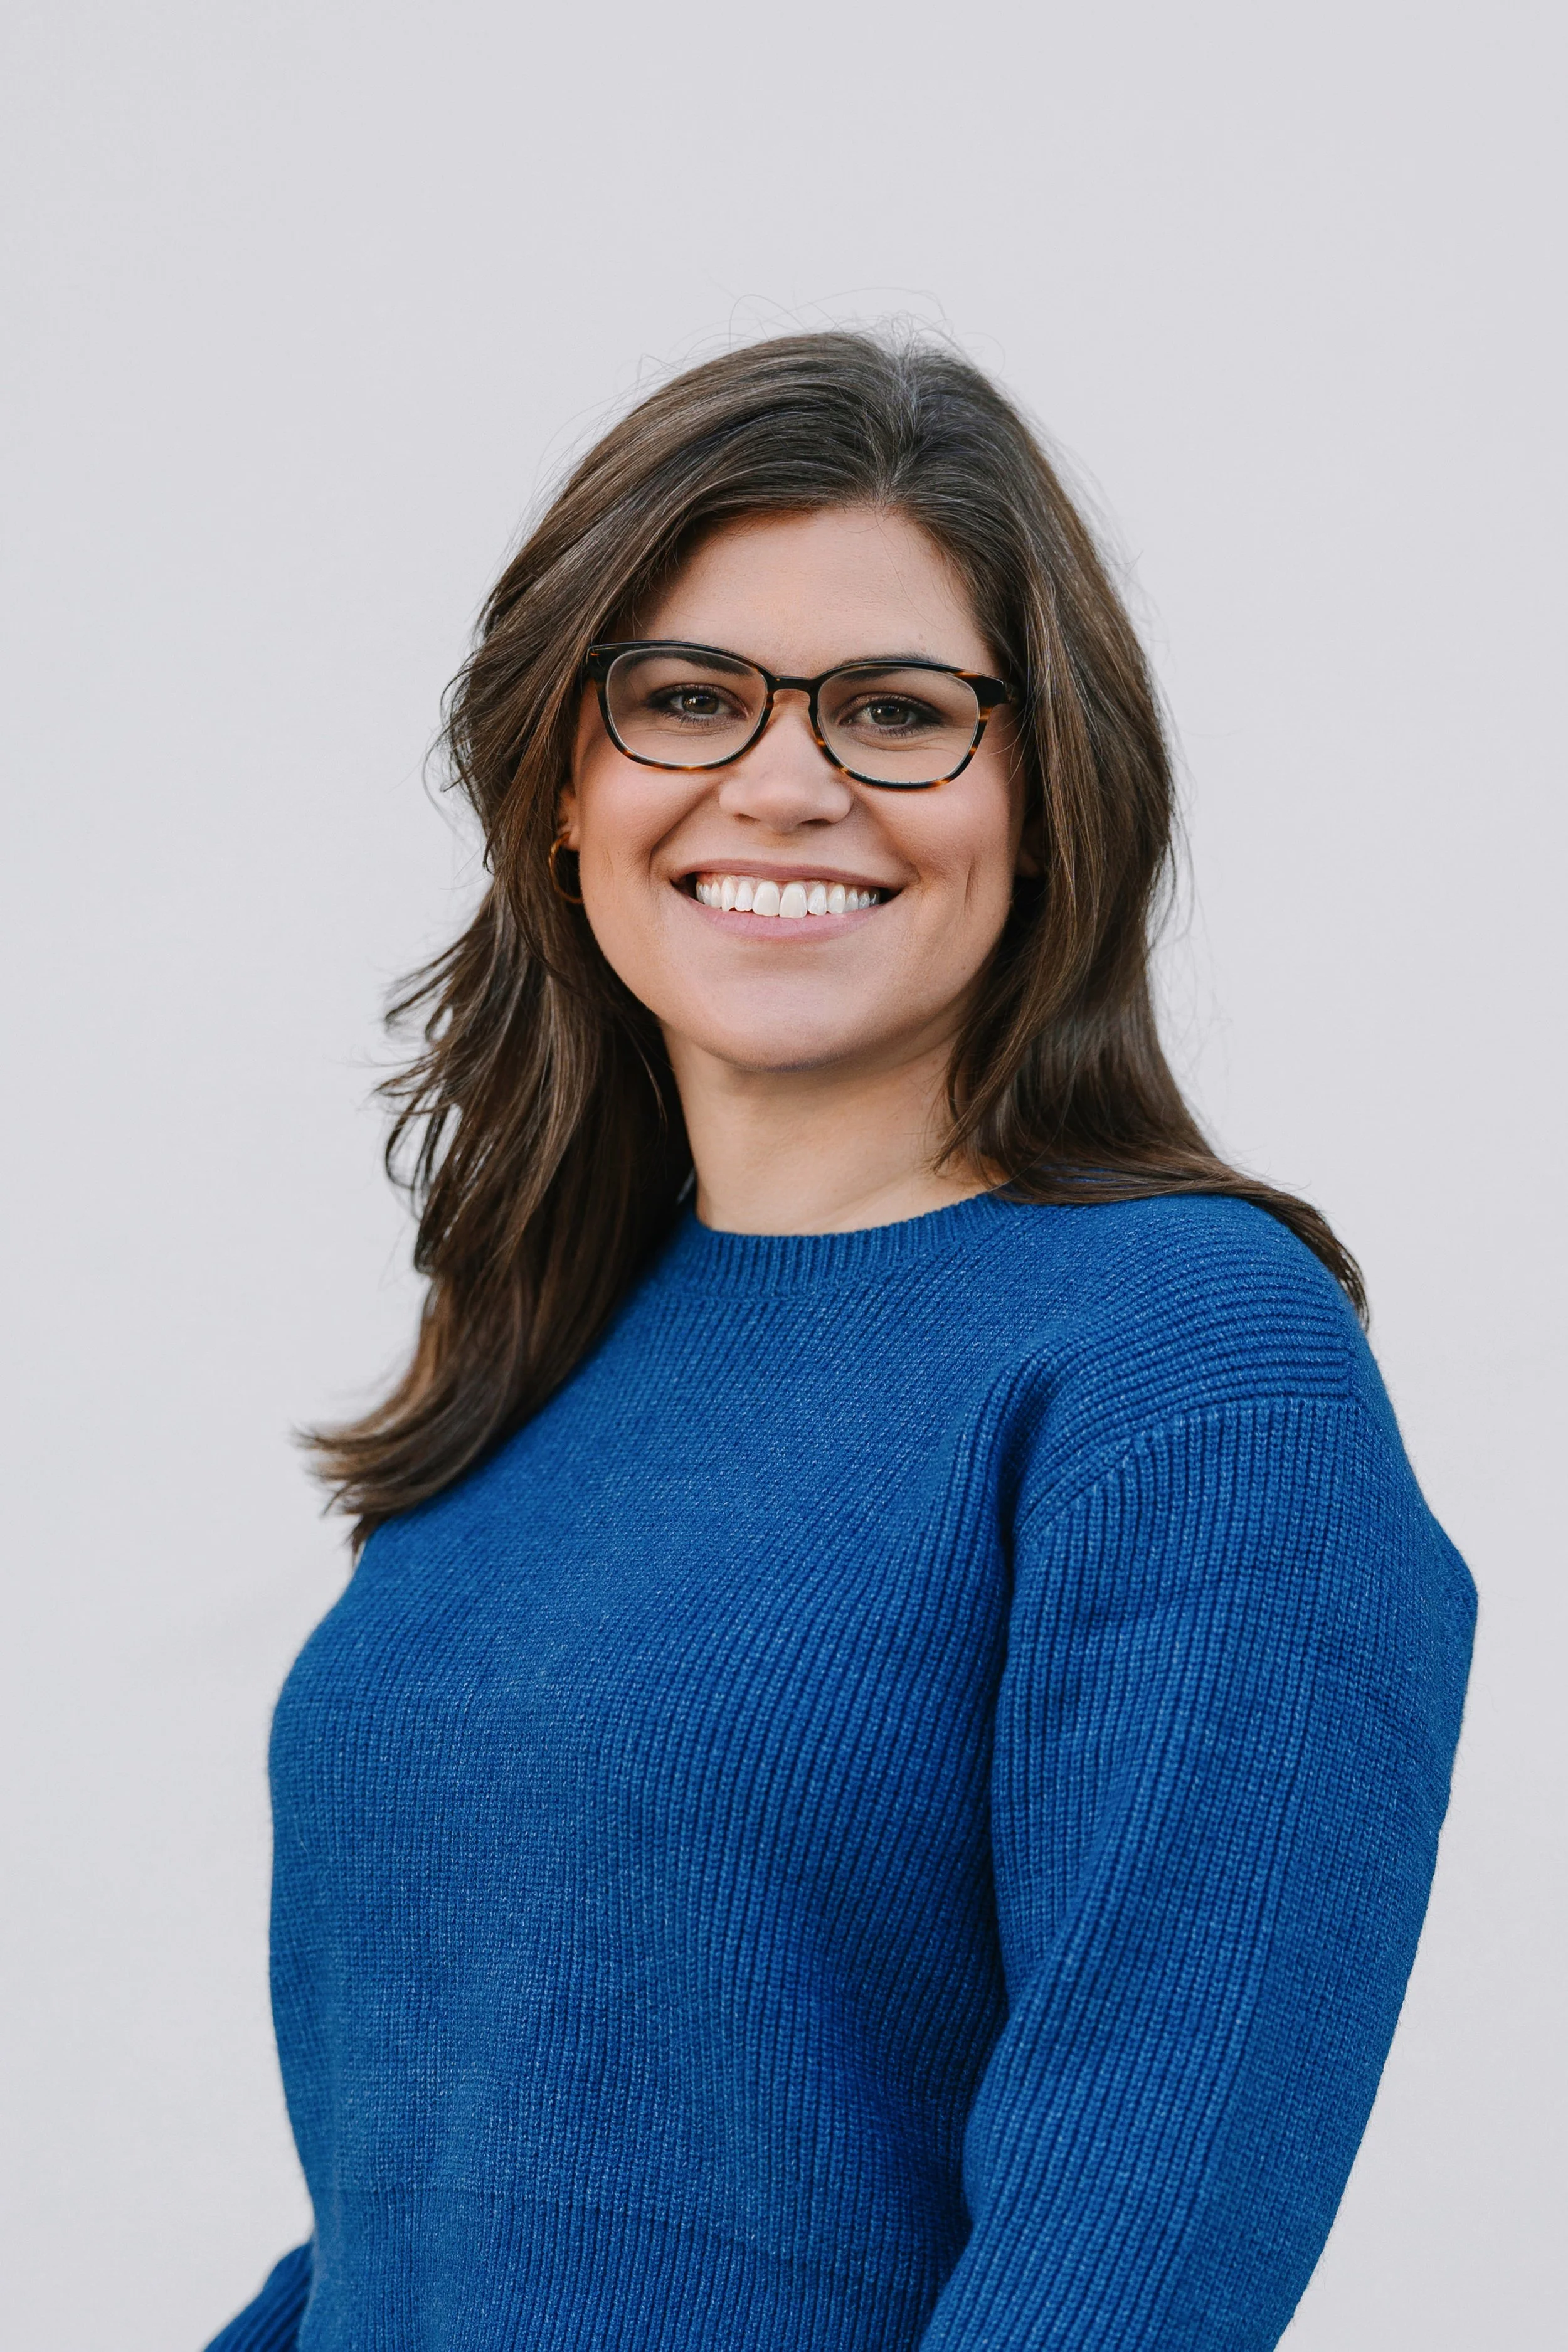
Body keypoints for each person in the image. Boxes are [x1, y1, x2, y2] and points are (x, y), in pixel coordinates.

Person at [203, 331, 1475, 2352]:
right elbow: (420, 2220)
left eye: (896, 709)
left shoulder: (1193, 1371)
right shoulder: (540, 1354)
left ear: (1050, 798)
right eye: (685, 697)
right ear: (558, 786)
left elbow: (1130, 2261)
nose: (780, 779)